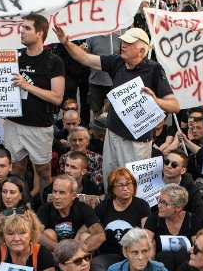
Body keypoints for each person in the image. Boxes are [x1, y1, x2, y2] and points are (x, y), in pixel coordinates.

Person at [53, 25, 179, 187]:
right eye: (123, 41)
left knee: (129, 184)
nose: (123, 45)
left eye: (129, 43)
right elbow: (85, 58)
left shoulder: (153, 70)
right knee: (110, 180)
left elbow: (174, 105)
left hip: (135, 142)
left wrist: (156, 100)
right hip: (112, 136)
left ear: (142, 51)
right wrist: (66, 42)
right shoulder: (117, 62)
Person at [0, 14, 64, 191]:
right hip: (14, 123)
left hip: (39, 125)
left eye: (27, 28)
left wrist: (27, 86)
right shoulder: (14, 57)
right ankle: (18, 206)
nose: (22, 31)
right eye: (22, 27)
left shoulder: (53, 61)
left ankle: (47, 206)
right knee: (16, 170)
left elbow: (57, 97)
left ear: (40, 33)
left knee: (43, 171)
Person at [92, 168, 150, 271]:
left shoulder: (142, 205)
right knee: (96, 265)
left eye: (128, 184)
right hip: (107, 254)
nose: (125, 188)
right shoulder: (104, 206)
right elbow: (88, 227)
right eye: (120, 185)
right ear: (112, 189)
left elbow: (147, 234)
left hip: (132, 253)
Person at [144, 184, 203, 271]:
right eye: (159, 201)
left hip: (186, 265)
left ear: (179, 207)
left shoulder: (193, 219)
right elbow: (146, 244)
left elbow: (198, 247)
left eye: (164, 203)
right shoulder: (153, 219)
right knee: (165, 256)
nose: (159, 206)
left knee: (183, 255)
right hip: (161, 266)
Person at [36, 174, 105, 252]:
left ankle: (82, 263)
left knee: (85, 236)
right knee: (48, 233)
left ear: (73, 195)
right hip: (54, 253)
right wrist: (60, 249)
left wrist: (78, 251)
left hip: (77, 253)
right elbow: (36, 233)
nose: (56, 197)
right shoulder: (45, 208)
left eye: (62, 193)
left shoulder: (83, 208)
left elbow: (100, 235)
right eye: (54, 191)